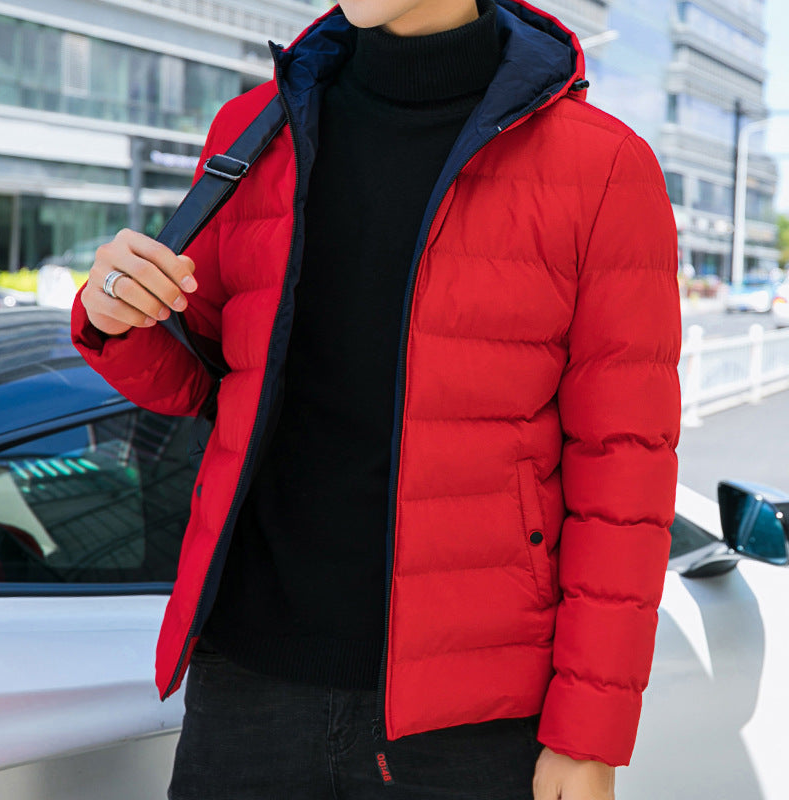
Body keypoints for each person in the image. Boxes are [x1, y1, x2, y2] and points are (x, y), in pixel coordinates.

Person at [71, 1, 681, 798]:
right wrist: (114, 311)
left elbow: (624, 472)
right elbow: (205, 379)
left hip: (468, 724)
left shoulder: (602, 166)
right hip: (247, 687)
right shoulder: (253, 130)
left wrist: (587, 737)